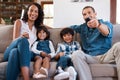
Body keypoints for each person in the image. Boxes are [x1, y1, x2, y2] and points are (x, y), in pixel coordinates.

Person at [70, 6, 120, 80]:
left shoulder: (105, 23)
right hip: (90, 57)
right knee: (76, 54)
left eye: (89, 12)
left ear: (95, 13)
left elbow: (106, 32)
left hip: (105, 56)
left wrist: (98, 25)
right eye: (84, 14)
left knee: (119, 46)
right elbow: (69, 28)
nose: (87, 15)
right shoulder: (82, 27)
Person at [3, 3, 45, 80]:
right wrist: (22, 37)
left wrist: (68, 28)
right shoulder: (19, 22)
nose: (33, 13)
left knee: (15, 52)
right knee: (22, 41)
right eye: (31, 10)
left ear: (38, 14)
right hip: (11, 49)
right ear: (27, 12)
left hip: (26, 53)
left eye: (36, 11)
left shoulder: (38, 27)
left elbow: (52, 28)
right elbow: (14, 40)